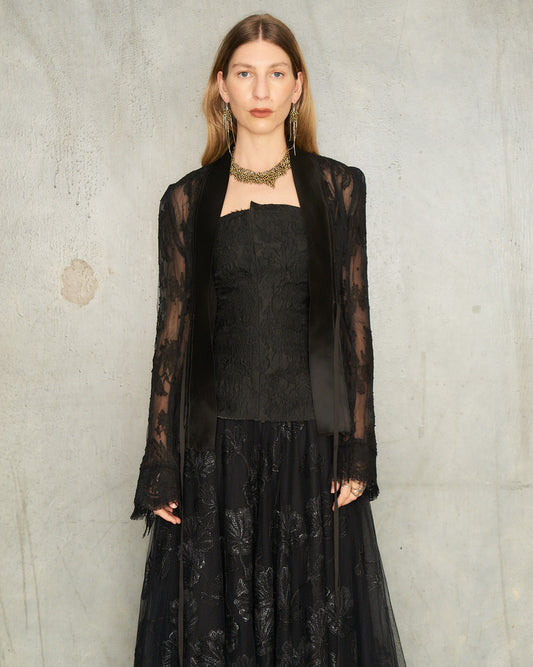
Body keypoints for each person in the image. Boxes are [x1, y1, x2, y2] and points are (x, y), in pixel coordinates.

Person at [131, 13, 405, 666]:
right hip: (214, 455)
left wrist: (357, 449)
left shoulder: (338, 188)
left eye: (276, 74)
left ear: (297, 86)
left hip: (313, 451)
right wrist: (160, 462)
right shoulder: (186, 200)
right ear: (221, 87)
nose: (261, 90)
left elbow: (355, 322)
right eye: (245, 73)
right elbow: (173, 336)